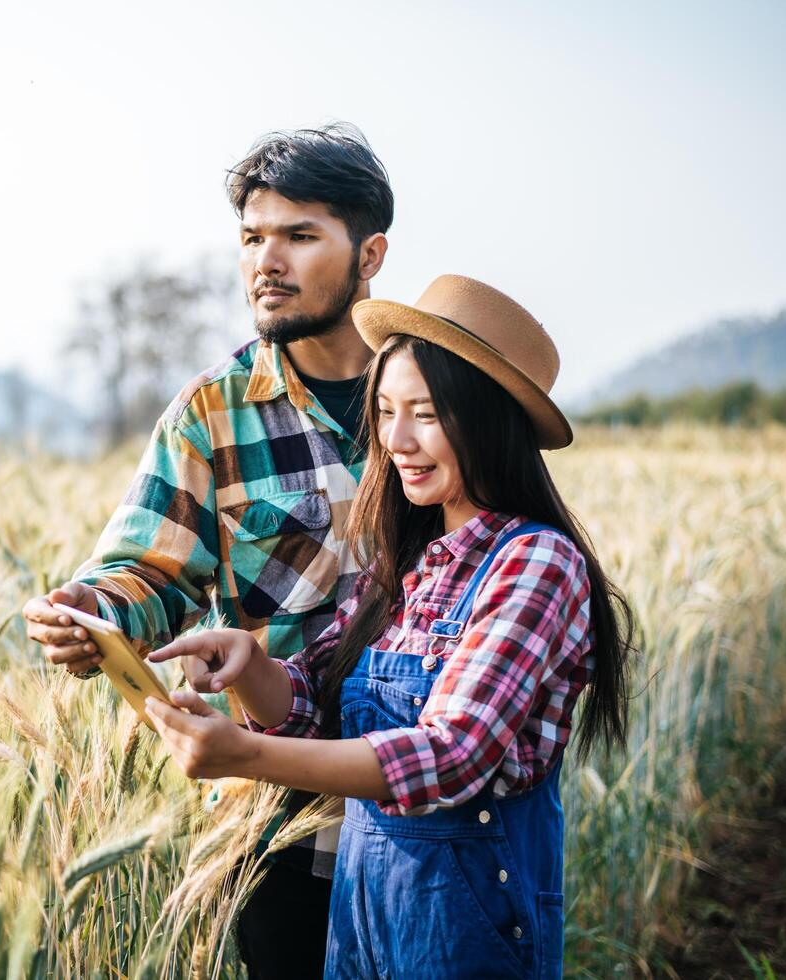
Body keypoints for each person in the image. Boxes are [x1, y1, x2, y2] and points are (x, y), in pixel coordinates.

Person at [142, 275, 636, 979]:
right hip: (362, 919)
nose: (395, 440)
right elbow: (315, 701)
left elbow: (450, 754)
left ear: (489, 420)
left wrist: (244, 757)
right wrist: (248, 667)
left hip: (468, 932)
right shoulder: (399, 565)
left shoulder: (535, 563)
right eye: (383, 411)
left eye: (426, 415)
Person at [23, 124, 393, 978]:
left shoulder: (429, 398)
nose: (268, 260)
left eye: (300, 236)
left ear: (368, 253)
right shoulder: (212, 413)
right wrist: (93, 612)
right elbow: (150, 568)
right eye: (252, 238)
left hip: (430, 795)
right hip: (274, 806)